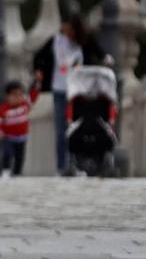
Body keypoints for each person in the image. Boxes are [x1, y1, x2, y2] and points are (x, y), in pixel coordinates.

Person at [32, 14, 103, 174]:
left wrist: (106, 59)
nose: (67, 31)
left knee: (77, 127)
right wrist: (38, 71)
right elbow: (39, 57)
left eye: (71, 29)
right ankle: (62, 165)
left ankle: (76, 162)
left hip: (79, 92)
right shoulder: (55, 41)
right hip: (60, 89)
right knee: (61, 129)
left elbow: (99, 52)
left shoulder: (84, 42)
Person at [0, 80, 35, 178]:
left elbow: (33, 96)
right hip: (8, 137)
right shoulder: (4, 108)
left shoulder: (25, 105)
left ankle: (17, 173)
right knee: (7, 153)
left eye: (20, 95)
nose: (18, 98)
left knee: (20, 157)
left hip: (21, 138)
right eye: (14, 95)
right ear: (7, 96)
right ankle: (5, 170)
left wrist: (36, 84)